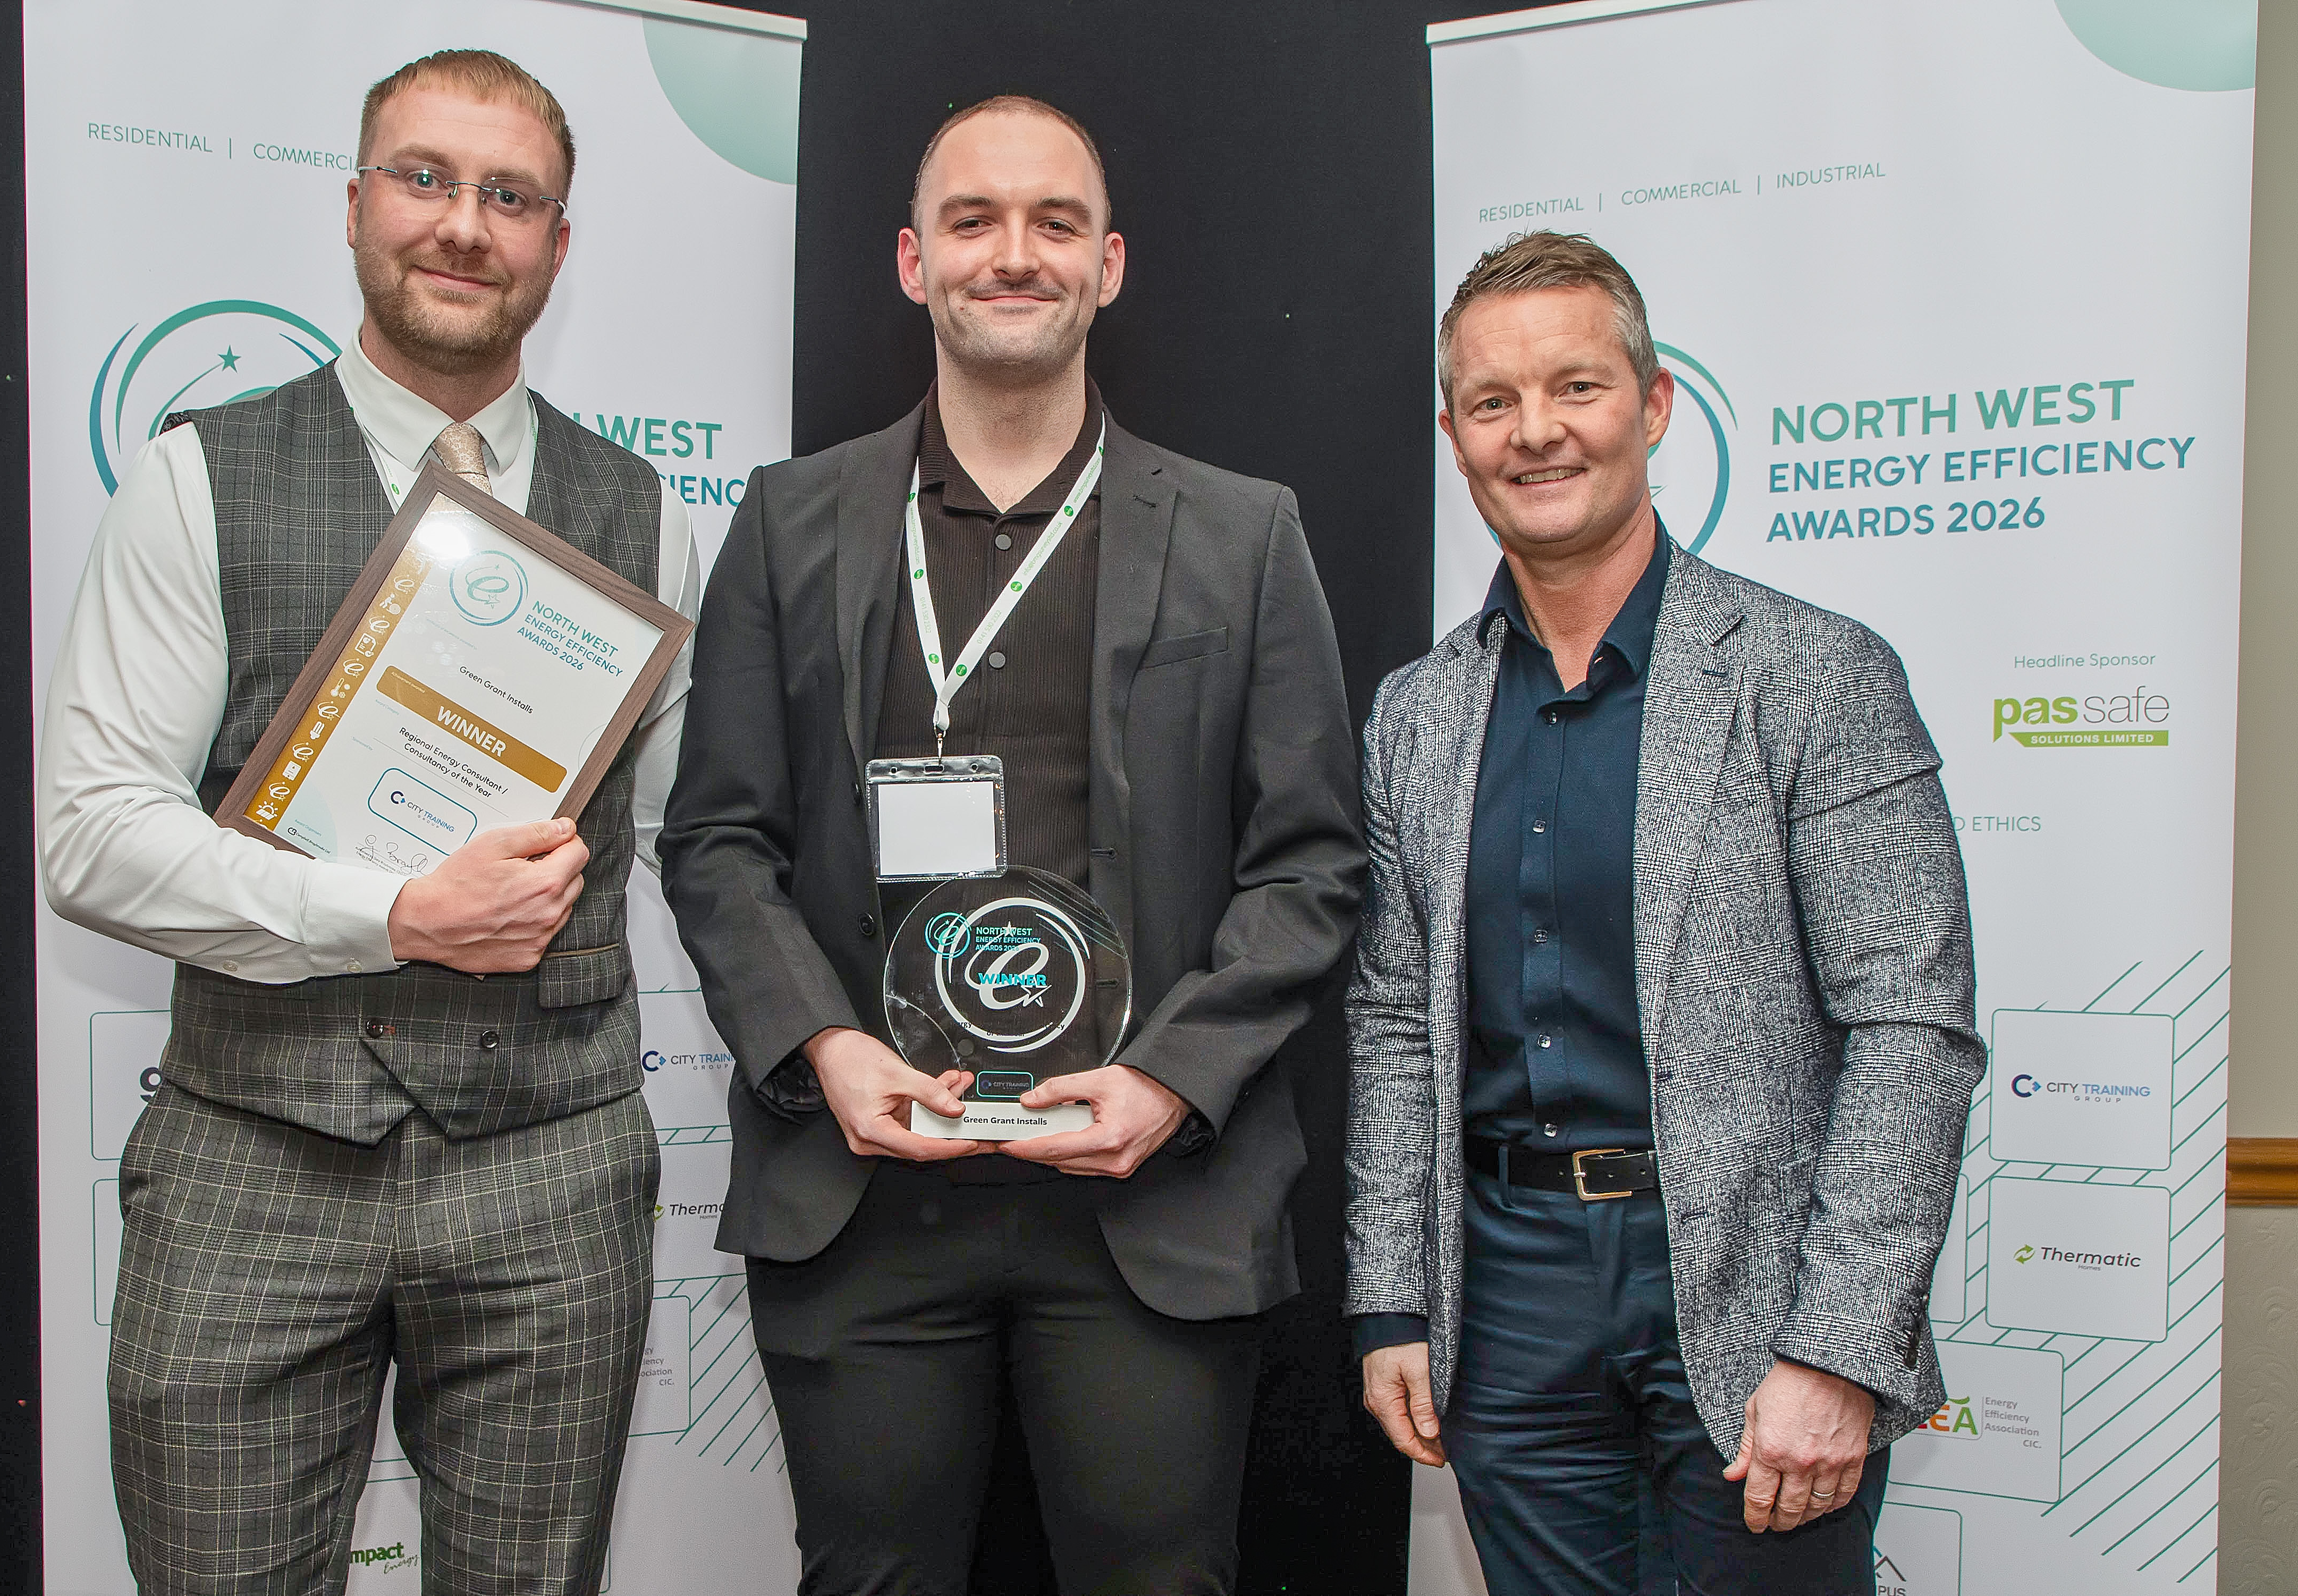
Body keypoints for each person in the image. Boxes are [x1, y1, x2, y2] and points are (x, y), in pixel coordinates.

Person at [660, 95, 1365, 1595]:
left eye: (1056, 222)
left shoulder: (1244, 534)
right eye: (972, 220)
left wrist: (1171, 1079)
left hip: (1146, 1195)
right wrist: (823, 1049)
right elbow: (717, 835)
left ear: (1110, 265)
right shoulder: (786, 523)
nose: (1014, 253)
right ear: (912, 261)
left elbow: (1311, 864)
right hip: (864, 1190)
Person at [38, 50, 696, 1595]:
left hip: (553, 1168)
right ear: (352, 207)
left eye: (510, 197)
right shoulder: (196, 481)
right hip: (254, 1157)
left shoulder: (649, 511)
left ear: (557, 243)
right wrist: (394, 917)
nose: (464, 225)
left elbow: (681, 833)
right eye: (425, 179)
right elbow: (92, 834)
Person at [1344, 231, 1984, 1596]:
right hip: (1506, 1301)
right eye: (1493, 401)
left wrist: (1837, 1344)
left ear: (1654, 404)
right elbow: (1396, 1021)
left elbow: (1910, 1028)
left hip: (1757, 1291)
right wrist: (1392, 1296)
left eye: (1575, 387)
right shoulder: (1416, 712)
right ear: (1454, 436)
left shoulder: (1814, 673)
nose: (1536, 432)